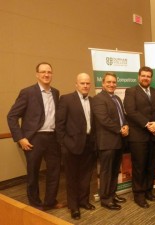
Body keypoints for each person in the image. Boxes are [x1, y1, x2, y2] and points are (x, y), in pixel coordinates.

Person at [7, 62, 63, 210]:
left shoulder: (56, 93)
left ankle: (50, 201)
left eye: (49, 72)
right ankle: (35, 204)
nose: (46, 75)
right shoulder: (27, 92)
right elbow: (12, 116)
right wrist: (20, 138)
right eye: (43, 72)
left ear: (52, 74)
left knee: (54, 171)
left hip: (53, 138)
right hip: (34, 139)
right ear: (37, 74)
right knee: (33, 173)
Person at [123, 66, 155, 208]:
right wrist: (148, 124)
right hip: (138, 136)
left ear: (151, 78)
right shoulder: (131, 91)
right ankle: (139, 194)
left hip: (154, 135)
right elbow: (130, 111)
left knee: (151, 164)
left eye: (148, 76)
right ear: (138, 76)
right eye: (143, 75)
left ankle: (148, 190)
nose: (145, 78)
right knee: (139, 166)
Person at [55, 73, 97, 220]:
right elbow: (59, 125)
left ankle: (84, 201)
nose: (85, 86)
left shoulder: (92, 101)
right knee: (72, 178)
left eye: (87, 83)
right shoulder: (66, 99)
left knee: (86, 176)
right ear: (76, 84)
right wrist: (64, 144)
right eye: (82, 83)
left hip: (89, 145)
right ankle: (74, 207)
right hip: (71, 146)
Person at [91, 72, 128, 211]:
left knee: (114, 170)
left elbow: (122, 116)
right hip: (106, 142)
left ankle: (112, 194)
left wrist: (126, 126)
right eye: (109, 82)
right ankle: (106, 199)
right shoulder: (98, 99)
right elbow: (103, 120)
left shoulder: (117, 98)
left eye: (114, 82)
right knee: (106, 171)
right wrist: (120, 129)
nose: (112, 84)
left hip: (118, 141)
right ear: (103, 83)